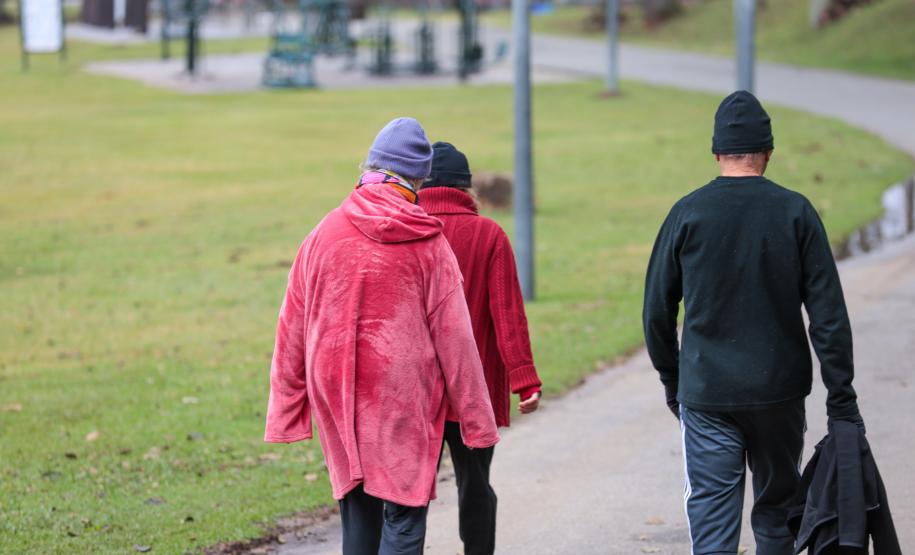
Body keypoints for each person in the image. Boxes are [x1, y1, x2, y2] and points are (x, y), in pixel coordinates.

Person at [642, 91, 864, 555]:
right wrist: (841, 398)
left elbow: (656, 311)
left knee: (712, 516)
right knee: (779, 514)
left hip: (707, 394)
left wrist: (673, 380)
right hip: (779, 394)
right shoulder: (796, 212)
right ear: (768, 152)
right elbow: (828, 316)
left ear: (717, 152)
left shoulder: (687, 213)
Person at [264, 118, 500, 555]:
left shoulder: (323, 233)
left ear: (370, 167)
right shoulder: (428, 242)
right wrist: (477, 422)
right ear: (418, 179)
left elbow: (291, 322)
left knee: (358, 507)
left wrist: (286, 409)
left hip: (335, 388)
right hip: (401, 393)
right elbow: (456, 340)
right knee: (404, 512)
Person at [418, 142, 543, 555]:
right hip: (476, 388)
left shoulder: (407, 231)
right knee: (475, 485)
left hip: (417, 389)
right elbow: (508, 315)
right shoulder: (489, 235)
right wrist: (525, 380)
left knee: (410, 490)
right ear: (466, 188)